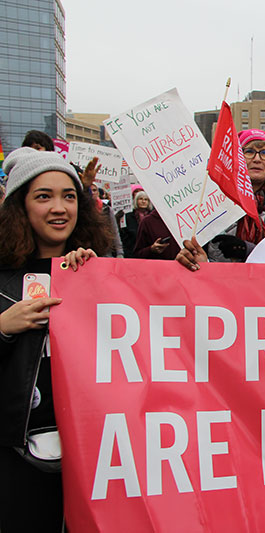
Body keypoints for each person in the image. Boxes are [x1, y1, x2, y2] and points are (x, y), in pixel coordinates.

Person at [0, 147, 110, 531]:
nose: (59, 207)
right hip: (16, 454)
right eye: (43, 196)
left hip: (92, 448)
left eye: (68, 196)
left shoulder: (99, 270)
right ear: (21, 206)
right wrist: (3, 327)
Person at [207, 129, 265, 262]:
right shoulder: (214, 200)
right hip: (218, 280)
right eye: (249, 152)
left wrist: (246, 250)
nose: (257, 159)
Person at [119, 190, 153, 257]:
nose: (143, 201)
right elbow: (123, 235)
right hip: (131, 252)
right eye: (140, 199)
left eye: (146, 199)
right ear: (136, 201)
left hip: (149, 253)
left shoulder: (152, 217)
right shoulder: (127, 216)